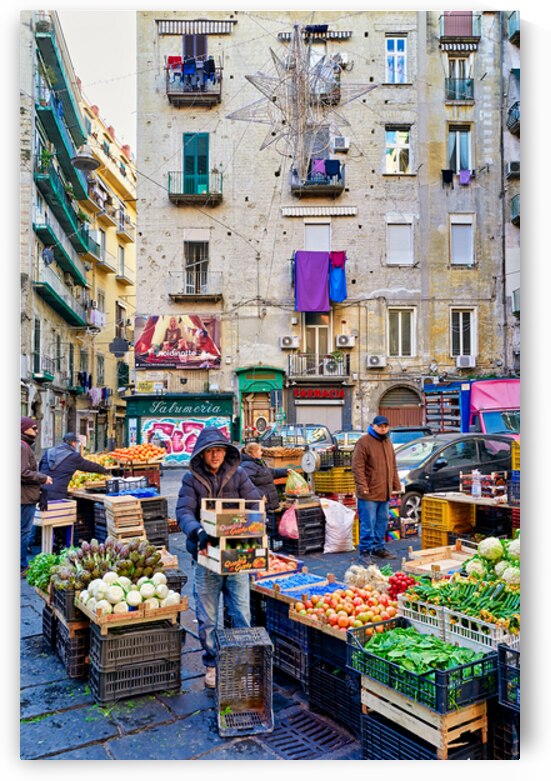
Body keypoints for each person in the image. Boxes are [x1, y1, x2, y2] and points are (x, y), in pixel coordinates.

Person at [176, 427, 262, 688]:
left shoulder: (239, 474)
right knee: (207, 617)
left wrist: (253, 516)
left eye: (219, 450)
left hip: (237, 555)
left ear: (226, 453)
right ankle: (212, 663)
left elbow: (254, 502)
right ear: (201, 454)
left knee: (241, 613)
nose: (215, 456)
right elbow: (183, 511)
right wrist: (198, 531)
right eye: (210, 451)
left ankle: (241, 660)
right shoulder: (191, 480)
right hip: (205, 556)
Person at [351, 415, 402, 562]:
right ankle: (365, 551)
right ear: (373, 426)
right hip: (369, 493)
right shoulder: (364, 442)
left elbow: (393, 466)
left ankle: (378, 548)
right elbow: (357, 466)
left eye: (385, 425)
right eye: (380, 426)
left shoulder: (387, 442)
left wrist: (395, 486)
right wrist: (362, 487)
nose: (383, 428)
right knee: (368, 524)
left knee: (382, 522)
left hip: (384, 492)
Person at [20, 417, 53, 576]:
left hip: (24, 496)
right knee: (23, 532)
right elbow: (22, 472)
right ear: (23, 429)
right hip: (24, 497)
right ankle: (21, 566)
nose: (36, 430)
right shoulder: (22, 446)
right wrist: (42, 478)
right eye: (33, 428)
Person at [38, 432, 110, 501]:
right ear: (73, 443)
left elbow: (40, 467)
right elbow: (89, 466)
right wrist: (103, 470)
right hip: (57, 493)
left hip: (41, 490)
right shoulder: (73, 456)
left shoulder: (49, 451)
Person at [240, 442, 287, 535]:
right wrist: (259, 495)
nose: (261, 453)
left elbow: (270, 472)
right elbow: (246, 482)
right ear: (252, 453)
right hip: (261, 502)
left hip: (268, 501)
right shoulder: (248, 465)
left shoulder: (258, 463)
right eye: (259, 451)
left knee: (266, 526)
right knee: (259, 527)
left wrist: (285, 471)